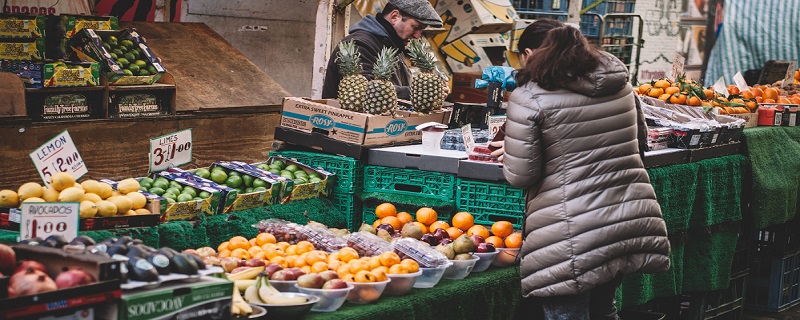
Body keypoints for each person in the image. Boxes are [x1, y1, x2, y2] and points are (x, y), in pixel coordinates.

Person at [493, 19, 671, 320]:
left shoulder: (529, 96)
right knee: (603, 311)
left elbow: (521, 175)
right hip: (626, 217)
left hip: (572, 230)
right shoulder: (622, 85)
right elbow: (641, 144)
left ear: (529, 54)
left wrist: (512, 151)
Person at [321, 0, 444, 101]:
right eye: (416, 27)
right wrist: (421, 92)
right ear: (395, 17)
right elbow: (365, 90)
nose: (417, 35)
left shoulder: (394, 44)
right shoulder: (359, 44)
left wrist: (431, 90)